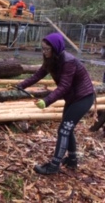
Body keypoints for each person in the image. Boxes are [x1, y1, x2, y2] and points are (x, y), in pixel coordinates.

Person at [16, 33, 95, 175]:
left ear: (55, 48)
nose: (44, 52)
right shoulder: (51, 59)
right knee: (67, 128)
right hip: (72, 99)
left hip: (83, 98)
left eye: (47, 49)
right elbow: (38, 75)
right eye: (43, 49)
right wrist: (21, 85)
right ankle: (72, 160)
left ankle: (53, 166)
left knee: (63, 130)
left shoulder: (68, 61)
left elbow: (64, 86)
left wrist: (46, 101)